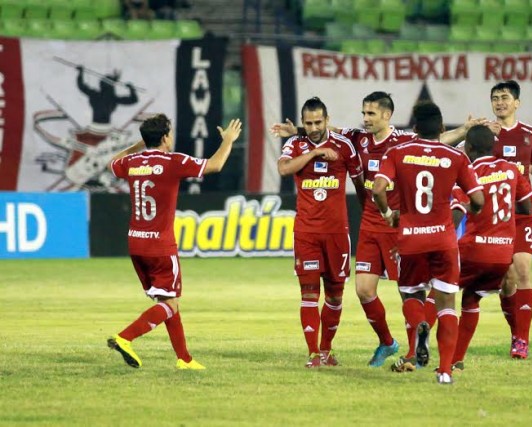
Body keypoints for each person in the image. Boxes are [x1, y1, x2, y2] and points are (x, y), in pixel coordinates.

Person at [271, 93, 487, 368]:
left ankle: (413, 352)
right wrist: (298, 132)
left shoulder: (404, 141)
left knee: (409, 291)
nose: (365, 119)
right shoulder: (359, 138)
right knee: (363, 290)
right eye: (364, 113)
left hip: (399, 225)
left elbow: (434, 144)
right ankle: (387, 342)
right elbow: (328, 131)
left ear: (387, 115)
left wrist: (463, 131)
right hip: (372, 224)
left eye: (371, 114)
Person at [107, 114, 243, 369]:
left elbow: (111, 164)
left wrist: (139, 146)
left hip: (136, 244)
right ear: (166, 137)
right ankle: (125, 338)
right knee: (169, 303)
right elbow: (215, 165)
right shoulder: (173, 162)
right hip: (160, 245)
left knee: (167, 301)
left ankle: (184, 359)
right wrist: (228, 140)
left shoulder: (133, 163)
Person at [372, 101, 484, 384]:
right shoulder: (455, 157)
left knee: (411, 296)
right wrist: (472, 212)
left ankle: (420, 323)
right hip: (444, 240)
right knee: (447, 303)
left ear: (415, 129)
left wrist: (388, 214)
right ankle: (445, 372)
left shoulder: (398, 152)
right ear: (442, 129)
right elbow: (478, 200)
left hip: (410, 239)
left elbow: (378, 189)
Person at [277, 97, 366, 368]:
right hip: (306, 232)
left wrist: (372, 215)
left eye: (318, 122)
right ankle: (313, 353)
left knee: (336, 295)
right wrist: (315, 153)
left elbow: (360, 184)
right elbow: (283, 169)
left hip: (338, 233)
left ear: (327, 120)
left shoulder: (345, 146)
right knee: (308, 294)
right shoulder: (295, 144)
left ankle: (326, 350)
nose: (314, 127)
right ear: (303, 123)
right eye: (308, 123)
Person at [448, 125, 532, 372]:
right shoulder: (510, 169)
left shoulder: (469, 172)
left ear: (470, 148)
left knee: (439, 291)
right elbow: (527, 208)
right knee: (471, 297)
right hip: (503, 254)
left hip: (474, 250)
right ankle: (457, 359)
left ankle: (416, 346)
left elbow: (457, 212)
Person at [488, 80, 532, 359]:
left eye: (505, 97)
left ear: (517, 102)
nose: (499, 102)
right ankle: (516, 331)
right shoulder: (484, 134)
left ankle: (522, 340)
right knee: (506, 280)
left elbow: (530, 163)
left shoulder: (530, 133)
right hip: (495, 214)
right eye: (495, 98)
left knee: (523, 270)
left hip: (523, 210)